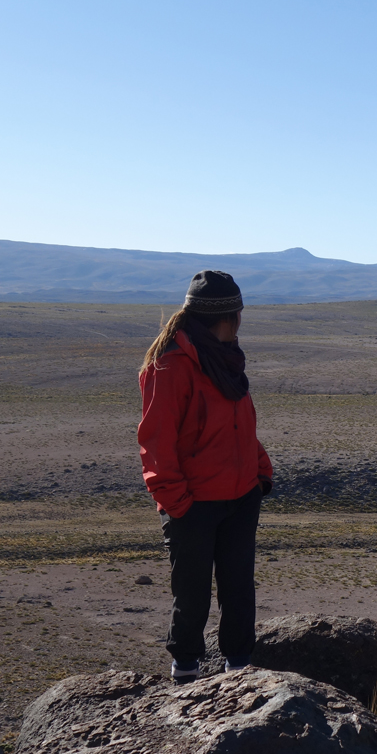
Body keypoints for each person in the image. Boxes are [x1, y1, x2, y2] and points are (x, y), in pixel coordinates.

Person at [137, 270, 272, 683]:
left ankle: (238, 675)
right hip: (193, 503)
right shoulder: (171, 366)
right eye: (239, 315)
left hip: (239, 495)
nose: (241, 324)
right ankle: (185, 675)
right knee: (191, 597)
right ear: (226, 317)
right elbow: (155, 442)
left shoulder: (227, 359)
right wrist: (178, 504)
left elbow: (237, 427)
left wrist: (260, 472)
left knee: (238, 592)